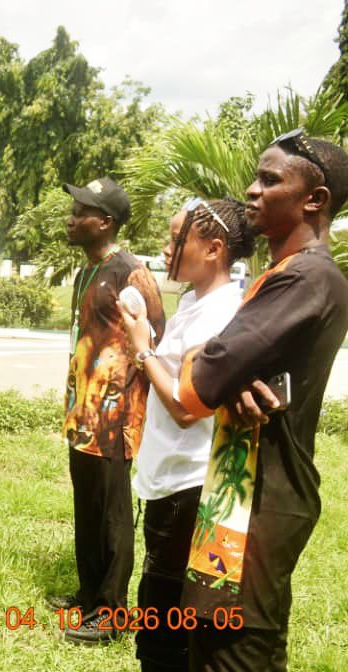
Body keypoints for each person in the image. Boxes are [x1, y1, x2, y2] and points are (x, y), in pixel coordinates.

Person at [174, 131, 348, 671]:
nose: (252, 190)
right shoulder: (279, 274)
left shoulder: (307, 278)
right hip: (240, 493)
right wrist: (224, 368)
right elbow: (216, 370)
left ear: (314, 200)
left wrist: (215, 365)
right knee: (216, 642)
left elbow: (199, 383)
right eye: (256, 177)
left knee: (238, 652)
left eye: (270, 180)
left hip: (265, 502)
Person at [118, 198, 255, 671]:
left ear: (214, 249)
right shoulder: (197, 302)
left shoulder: (217, 314)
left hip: (186, 485)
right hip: (172, 477)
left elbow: (184, 407)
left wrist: (142, 350)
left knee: (164, 616)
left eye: (177, 239)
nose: (166, 247)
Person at [50, 177, 165, 644]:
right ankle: (89, 593)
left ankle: (113, 612)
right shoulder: (86, 272)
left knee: (114, 515)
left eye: (82, 212)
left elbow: (155, 336)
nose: (72, 219)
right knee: (87, 506)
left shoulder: (131, 273)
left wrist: (129, 396)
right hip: (82, 412)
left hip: (116, 416)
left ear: (105, 222)